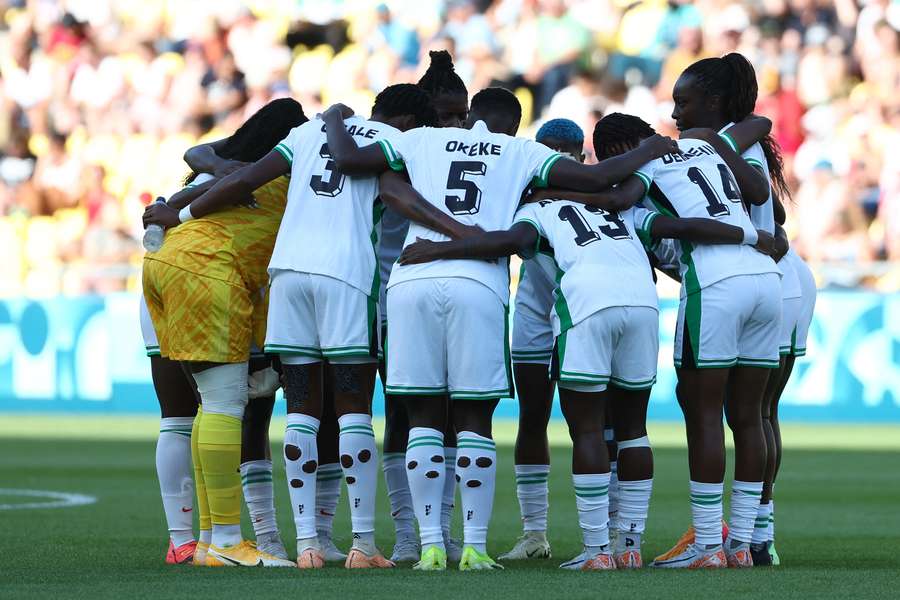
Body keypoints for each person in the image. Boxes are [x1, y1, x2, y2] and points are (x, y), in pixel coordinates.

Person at [320, 87, 678, 571]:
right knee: (475, 421)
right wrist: (650, 149)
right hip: (487, 284)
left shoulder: (424, 138)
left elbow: (370, 175)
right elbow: (607, 181)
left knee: (422, 418)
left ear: (469, 117)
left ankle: (426, 545)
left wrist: (333, 116)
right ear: (516, 124)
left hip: (411, 280)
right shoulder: (523, 154)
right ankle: (476, 547)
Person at [397, 147, 773, 571]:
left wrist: (435, 250)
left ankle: (597, 552)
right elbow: (684, 225)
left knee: (588, 429)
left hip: (587, 306)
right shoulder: (627, 209)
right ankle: (629, 547)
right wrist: (755, 237)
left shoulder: (538, 209)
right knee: (633, 430)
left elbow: (509, 241)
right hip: (643, 309)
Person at [585, 112, 782, 569]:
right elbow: (758, 189)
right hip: (765, 277)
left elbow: (617, 198)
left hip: (714, 283)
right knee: (750, 417)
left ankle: (709, 545)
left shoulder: (641, 164)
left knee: (704, 415)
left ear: (617, 151)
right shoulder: (709, 146)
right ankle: (743, 547)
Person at [656, 52, 815, 567]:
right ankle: (752, 538)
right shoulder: (744, 139)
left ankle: (718, 540)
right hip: (777, 275)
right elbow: (778, 215)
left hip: (744, 272)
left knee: (726, 411)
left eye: (684, 101)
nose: (675, 112)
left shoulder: (721, 146)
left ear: (715, 101)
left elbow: (755, 208)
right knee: (757, 413)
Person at [141, 98, 307, 568]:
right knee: (223, 403)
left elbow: (192, 172)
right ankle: (230, 543)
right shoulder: (287, 178)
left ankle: (211, 539)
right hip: (208, 270)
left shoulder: (229, 167)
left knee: (207, 405)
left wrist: (172, 204)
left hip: (166, 264)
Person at [380, 50, 470, 563]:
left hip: (456, 293)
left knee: (456, 416)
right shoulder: (399, 150)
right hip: (396, 295)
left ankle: (443, 530)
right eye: (446, 113)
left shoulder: (472, 153)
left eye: (462, 114)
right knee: (403, 414)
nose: (455, 123)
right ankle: (408, 533)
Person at [499, 118, 586, 562]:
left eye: (563, 155)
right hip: (534, 307)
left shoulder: (603, 194)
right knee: (532, 416)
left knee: (589, 420)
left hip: (582, 304)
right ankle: (534, 534)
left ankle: (608, 532)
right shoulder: (522, 192)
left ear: (582, 159)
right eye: (545, 153)